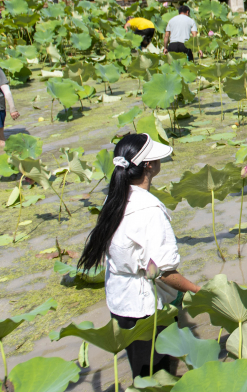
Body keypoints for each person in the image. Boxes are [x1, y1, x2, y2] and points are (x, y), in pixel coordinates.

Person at [78, 133, 201, 378]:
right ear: (149, 166)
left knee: (141, 374)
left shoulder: (113, 199)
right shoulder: (149, 209)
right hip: (146, 307)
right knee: (156, 379)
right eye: (155, 158)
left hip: (120, 301)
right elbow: (163, 273)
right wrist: (200, 292)